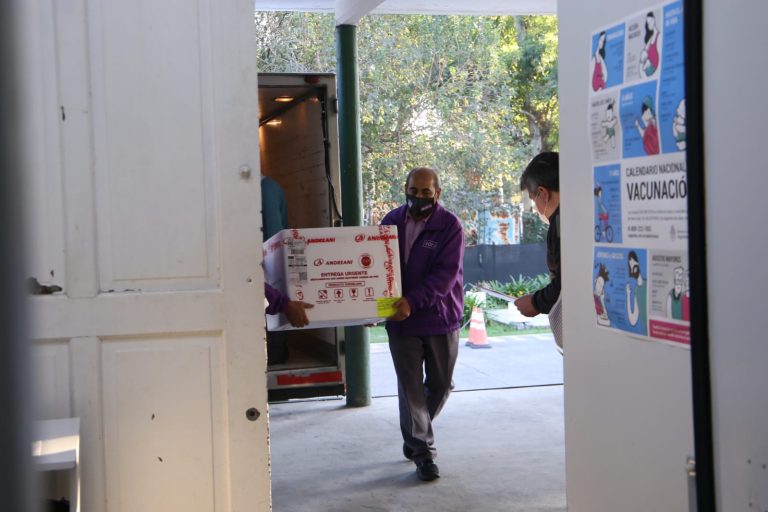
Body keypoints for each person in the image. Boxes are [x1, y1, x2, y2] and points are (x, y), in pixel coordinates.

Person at [381, 166, 464, 482]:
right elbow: (377, 268)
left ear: (437, 193)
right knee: (411, 388)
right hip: (401, 321)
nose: (419, 197)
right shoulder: (390, 223)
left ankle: (416, 429)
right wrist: (369, 307)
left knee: (442, 385)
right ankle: (423, 453)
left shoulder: (450, 226)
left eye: (426, 192)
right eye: (413, 191)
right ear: (406, 189)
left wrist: (412, 301)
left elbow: (445, 276)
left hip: (440, 317)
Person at [514, 152, 562, 346]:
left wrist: (535, 302)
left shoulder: (560, 224)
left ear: (543, 193)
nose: (535, 207)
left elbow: (567, 283)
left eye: (533, 198)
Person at [261, 175, 291, 363]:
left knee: (271, 300)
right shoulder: (271, 187)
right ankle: (277, 350)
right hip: (273, 258)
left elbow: (273, 234)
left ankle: (274, 351)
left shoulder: (265, 188)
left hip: (266, 259)